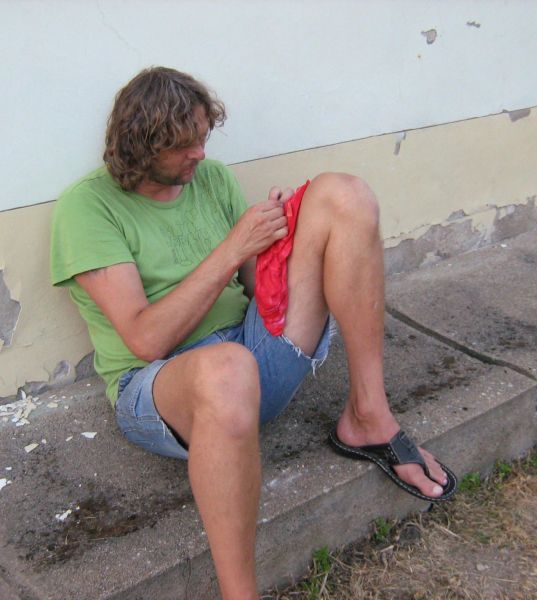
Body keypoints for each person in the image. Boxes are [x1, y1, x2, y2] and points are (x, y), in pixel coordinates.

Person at [50, 66, 455, 600]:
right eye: (184, 145)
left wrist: (280, 240)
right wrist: (234, 246)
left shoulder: (211, 179)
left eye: (203, 138)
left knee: (344, 195)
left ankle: (368, 415)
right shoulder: (87, 208)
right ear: (141, 146)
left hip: (250, 354)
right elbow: (146, 341)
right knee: (227, 369)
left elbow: (249, 282)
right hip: (160, 387)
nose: (200, 154)